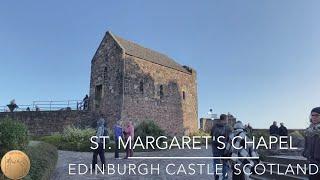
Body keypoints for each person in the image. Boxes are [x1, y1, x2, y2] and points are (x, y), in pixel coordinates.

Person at [210, 114, 232, 180]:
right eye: (227, 119)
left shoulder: (214, 126)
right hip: (224, 149)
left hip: (215, 148)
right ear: (225, 119)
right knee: (224, 164)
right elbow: (230, 139)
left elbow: (211, 137)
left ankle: (217, 177)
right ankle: (224, 178)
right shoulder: (228, 127)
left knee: (216, 163)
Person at [303, 107, 320, 180]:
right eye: (312, 115)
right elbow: (306, 145)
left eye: (317, 115)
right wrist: (306, 152)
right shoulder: (308, 130)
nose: (314, 117)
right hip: (312, 162)